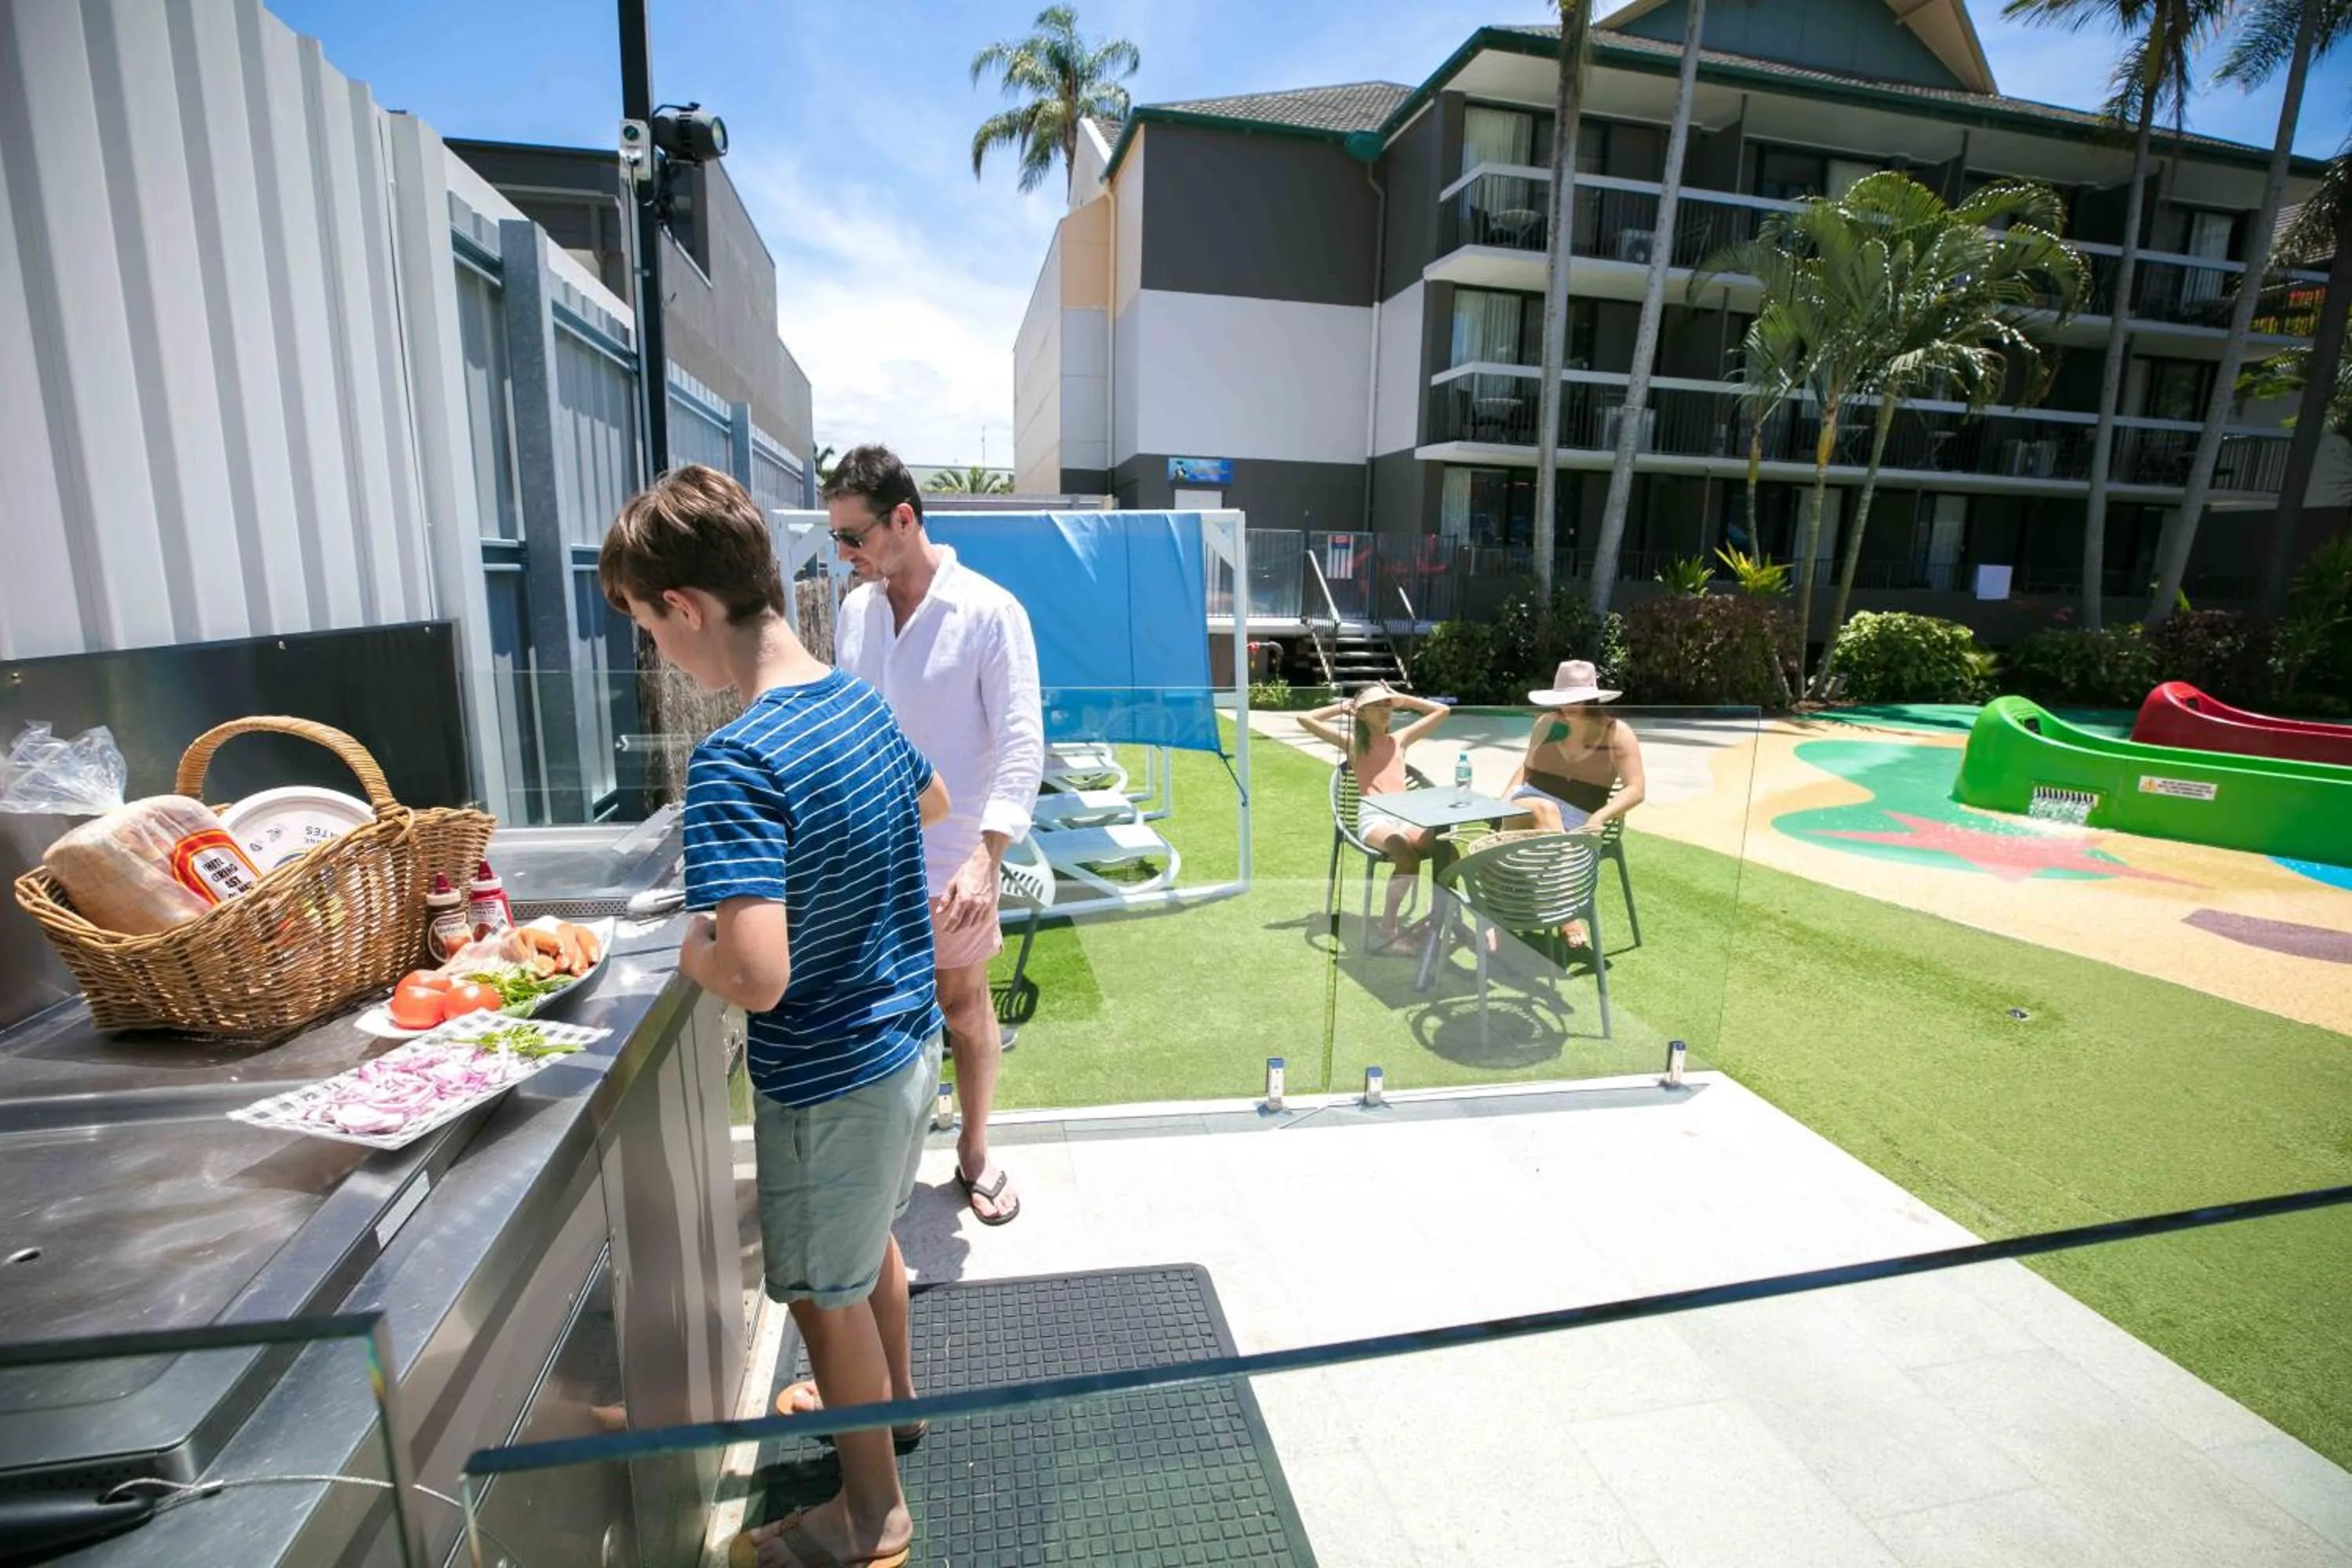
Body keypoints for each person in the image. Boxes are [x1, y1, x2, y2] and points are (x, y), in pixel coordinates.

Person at [599, 463, 942, 1568]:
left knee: (819, 1296)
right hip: (903, 1047)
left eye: (651, 628)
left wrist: (690, 940)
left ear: (686, 609)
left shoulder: (738, 760)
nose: (660, 653)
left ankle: (869, 1514)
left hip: (828, 1078)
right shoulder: (853, 699)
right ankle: (891, 1407)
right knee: (868, 1248)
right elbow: (929, 802)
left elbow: (755, 975)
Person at [828, 445, 1043, 1228]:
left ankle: (976, 1150)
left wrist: (989, 860)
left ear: (904, 518)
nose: (845, 556)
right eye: (838, 541)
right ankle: (884, 1166)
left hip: (955, 859)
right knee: (875, 1012)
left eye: (853, 538)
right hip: (870, 855)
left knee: (963, 1005)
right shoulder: (855, 612)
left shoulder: (990, 611)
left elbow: (1024, 741)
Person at [1504, 658, 1647, 949]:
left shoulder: (1617, 733)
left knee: (1550, 819)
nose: (1569, 706)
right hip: (1530, 804)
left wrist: (1600, 817)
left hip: (1580, 815)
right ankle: (1567, 913)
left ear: (1592, 698)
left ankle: (1510, 912)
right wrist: (1503, 800)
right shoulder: (1547, 724)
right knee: (1546, 809)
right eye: (1565, 699)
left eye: (1578, 699)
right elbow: (1527, 770)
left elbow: (1636, 789)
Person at [1298, 684, 1451, 953]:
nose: (1385, 711)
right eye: (1377, 706)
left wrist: (1404, 699)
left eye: (1388, 705)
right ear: (1362, 714)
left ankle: (1435, 919)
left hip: (1406, 815)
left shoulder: (1400, 739)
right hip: (1375, 817)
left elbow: (1443, 710)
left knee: (1447, 849)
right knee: (1405, 854)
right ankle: (1388, 928)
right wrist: (1343, 707)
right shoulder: (1354, 744)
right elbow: (1306, 719)